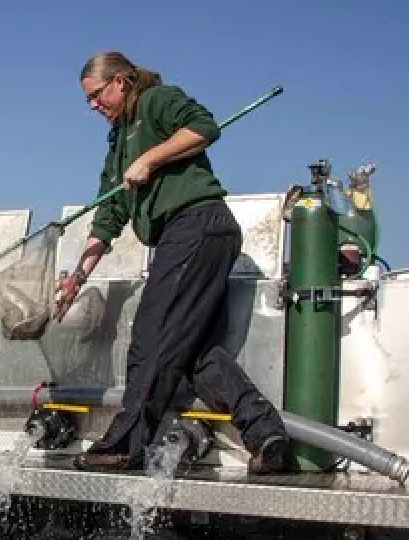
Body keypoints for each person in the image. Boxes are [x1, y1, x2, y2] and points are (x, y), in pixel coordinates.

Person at [56, 52, 289, 474]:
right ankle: (264, 432)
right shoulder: (118, 140)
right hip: (189, 236)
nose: (92, 106)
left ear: (121, 82)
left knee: (152, 335)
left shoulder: (156, 100)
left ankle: (126, 444)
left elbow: (204, 127)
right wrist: (78, 276)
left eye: (96, 95)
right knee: (194, 351)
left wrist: (150, 159)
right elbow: (108, 215)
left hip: (197, 223)